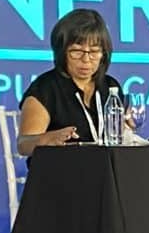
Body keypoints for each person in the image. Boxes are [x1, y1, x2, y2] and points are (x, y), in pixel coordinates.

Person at [17, 9, 123, 156]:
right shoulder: (45, 88)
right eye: (77, 51)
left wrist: (125, 127)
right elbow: (24, 145)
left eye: (93, 52)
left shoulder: (111, 86)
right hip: (58, 172)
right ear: (62, 52)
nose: (86, 59)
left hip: (103, 170)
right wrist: (49, 138)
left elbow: (118, 138)